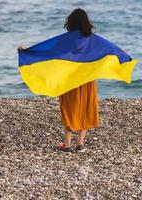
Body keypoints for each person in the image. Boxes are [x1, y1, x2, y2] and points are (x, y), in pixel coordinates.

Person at [18, 8, 99, 153]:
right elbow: (107, 50)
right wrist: (123, 56)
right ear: (86, 22)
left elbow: (49, 51)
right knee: (85, 108)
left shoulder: (66, 39)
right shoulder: (92, 39)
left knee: (68, 108)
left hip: (69, 79)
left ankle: (67, 144)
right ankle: (80, 143)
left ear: (71, 22)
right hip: (87, 79)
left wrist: (28, 51)